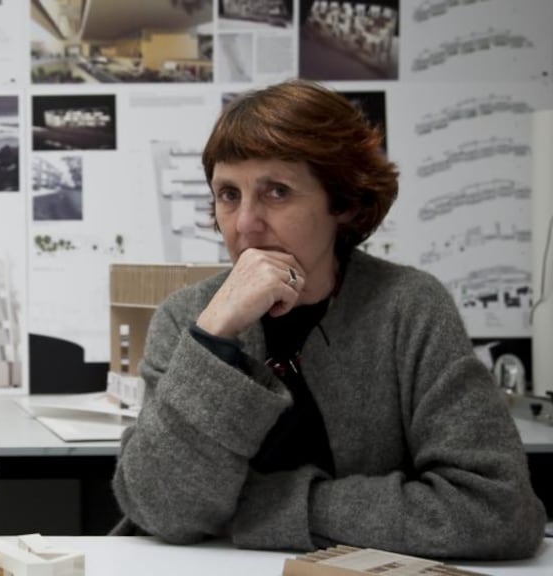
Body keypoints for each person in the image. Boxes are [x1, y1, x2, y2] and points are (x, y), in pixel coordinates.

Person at [112, 79, 546, 559]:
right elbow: (160, 511)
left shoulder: (408, 307)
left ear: (343, 203)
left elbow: (494, 511)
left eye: (277, 191)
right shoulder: (189, 317)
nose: (245, 224)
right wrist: (213, 340)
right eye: (228, 194)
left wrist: (262, 508)